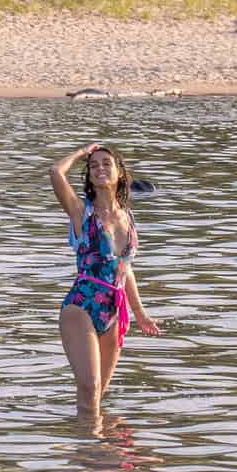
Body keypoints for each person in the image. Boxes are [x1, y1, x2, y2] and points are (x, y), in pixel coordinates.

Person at [51, 142, 160, 418]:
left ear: (120, 173)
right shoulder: (81, 211)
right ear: (88, 175)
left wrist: (140, 313)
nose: (99, 168)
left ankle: (93, 453)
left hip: (114, 311)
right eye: (93, 165)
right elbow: (55, 173)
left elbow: (125, 268)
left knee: (98, 397)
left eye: (106, 163)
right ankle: (91, 448)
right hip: (81, 305)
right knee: (89, 386)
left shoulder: (128, 217)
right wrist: (80, 153)